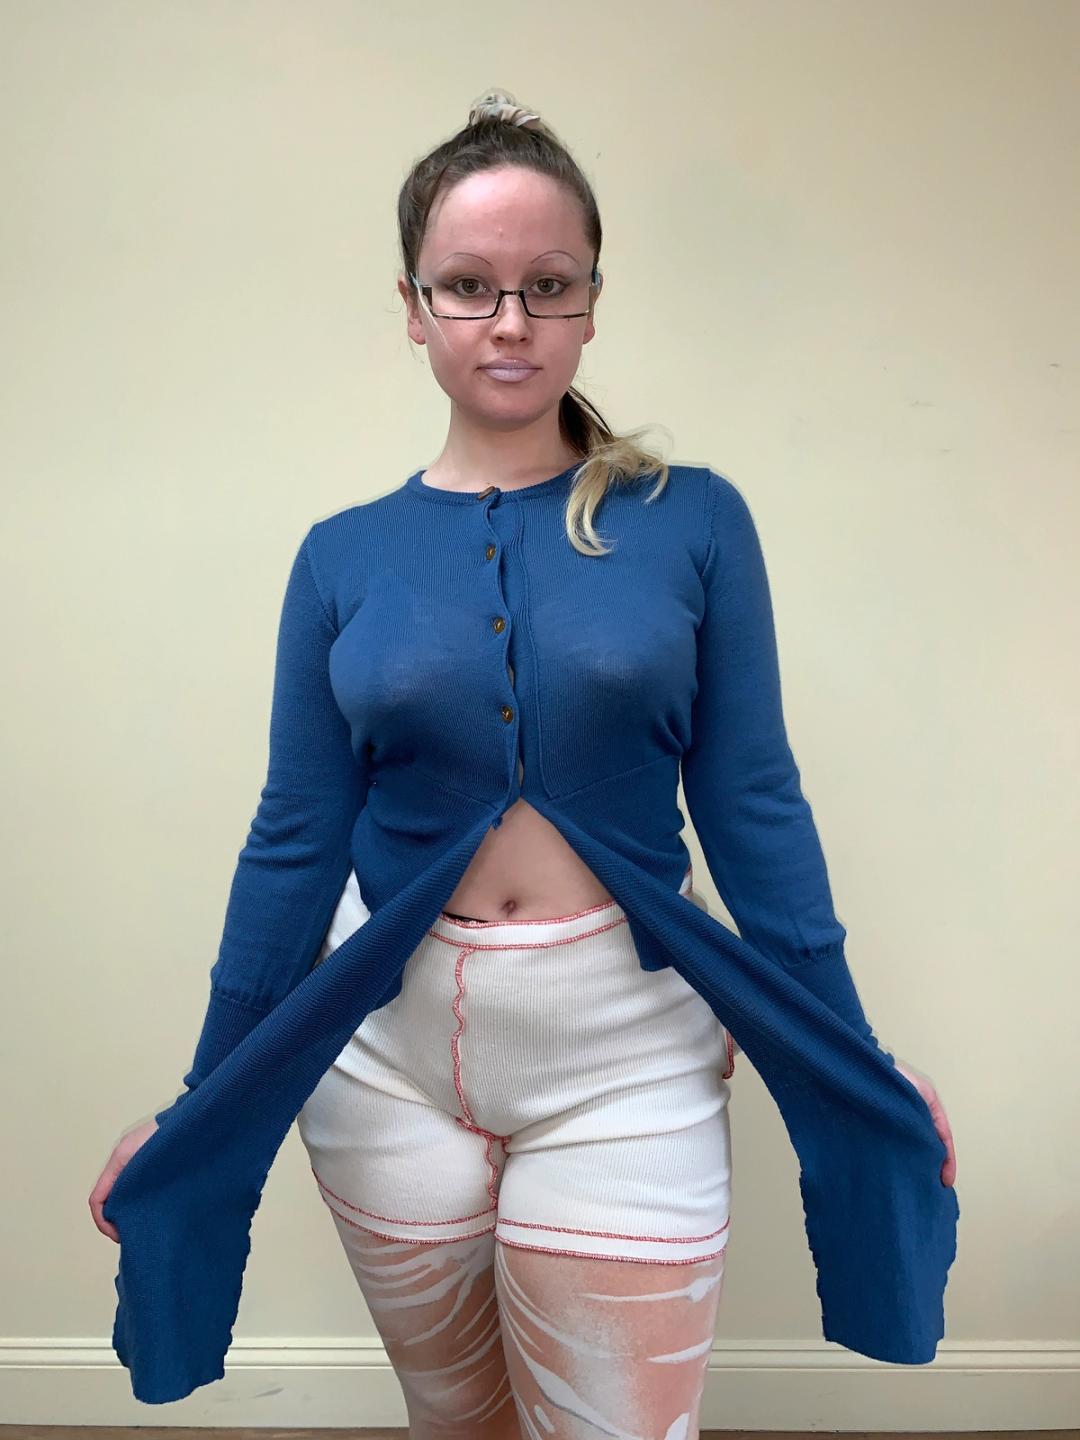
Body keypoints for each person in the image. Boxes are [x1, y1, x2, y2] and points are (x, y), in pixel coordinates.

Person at [90, 89, 958, 1430]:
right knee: (462, 1422)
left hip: (626, 1052)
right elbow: (295, 838)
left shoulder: (693, 523)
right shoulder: (340, 557)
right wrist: (204, 1095)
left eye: (548, 285)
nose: (510, 320)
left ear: (591, 302)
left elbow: (752, 804)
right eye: (469, 287)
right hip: (385, 1062)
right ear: (414, 306)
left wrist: (855, 1050)